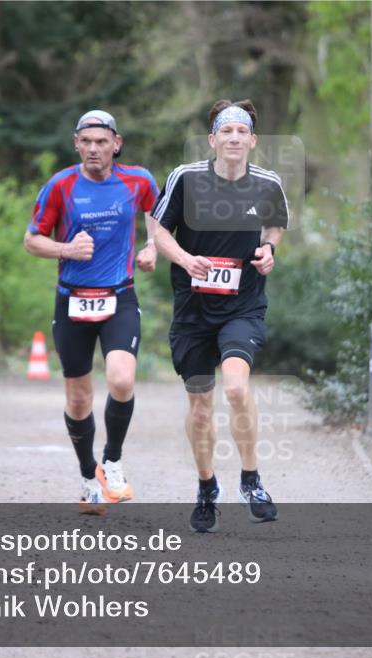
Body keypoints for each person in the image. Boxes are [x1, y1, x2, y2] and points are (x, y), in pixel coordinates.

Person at [150, 99, 288, 532]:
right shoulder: (185, 178)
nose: (233, 138)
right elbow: (157, 228)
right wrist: (185, 259)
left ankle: (251, 479)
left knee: (235, 389)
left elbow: (275, 225)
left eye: (240, 132)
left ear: (252, 141)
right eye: (225, 132)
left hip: (242, 306)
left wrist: (269, 251)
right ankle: (207, 487)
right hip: (192, 311)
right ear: (213, 140)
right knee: (200, 409)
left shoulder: (268, 183)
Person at [24, 110, 159, 514]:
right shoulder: (60, 186)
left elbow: (158, 215)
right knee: (79, 398)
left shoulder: (139, 180)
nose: (94, 149)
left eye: (102, 141)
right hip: (72, 299)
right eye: (87, 142)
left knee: (121, 379)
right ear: (77, 144)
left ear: (116, 144)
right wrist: (66, 249)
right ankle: (89, 479)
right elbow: (32, 241)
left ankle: (112, 462)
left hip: (119, 295)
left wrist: (151, 246)